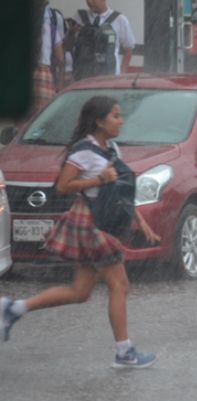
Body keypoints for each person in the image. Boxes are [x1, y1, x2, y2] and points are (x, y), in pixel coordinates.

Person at [1, 96, 160, 369]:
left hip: (101, 222)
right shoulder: (83, 152)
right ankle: (124, 353)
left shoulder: (112, 148)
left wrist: (141, 221)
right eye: (115, 116)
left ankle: (13, 309)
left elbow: (119, 188)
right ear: (99, 121)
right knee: (120, 285)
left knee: (80, 291)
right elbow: (63, 187)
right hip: (90, 224)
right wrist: (98, 179)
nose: (121, 121)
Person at [72, 0, 135, 76]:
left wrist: (122, 73)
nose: (89, 2)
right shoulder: (79, 17)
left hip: (110, 75)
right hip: (83, 74)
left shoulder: (120, 19)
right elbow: (69, 47)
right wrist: (71, 33)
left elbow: (128, 49)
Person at [33, 1, 65, 112]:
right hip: (43, 73)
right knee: (42, 115)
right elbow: (60, 58)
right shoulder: (51, 27)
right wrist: (60, 84)